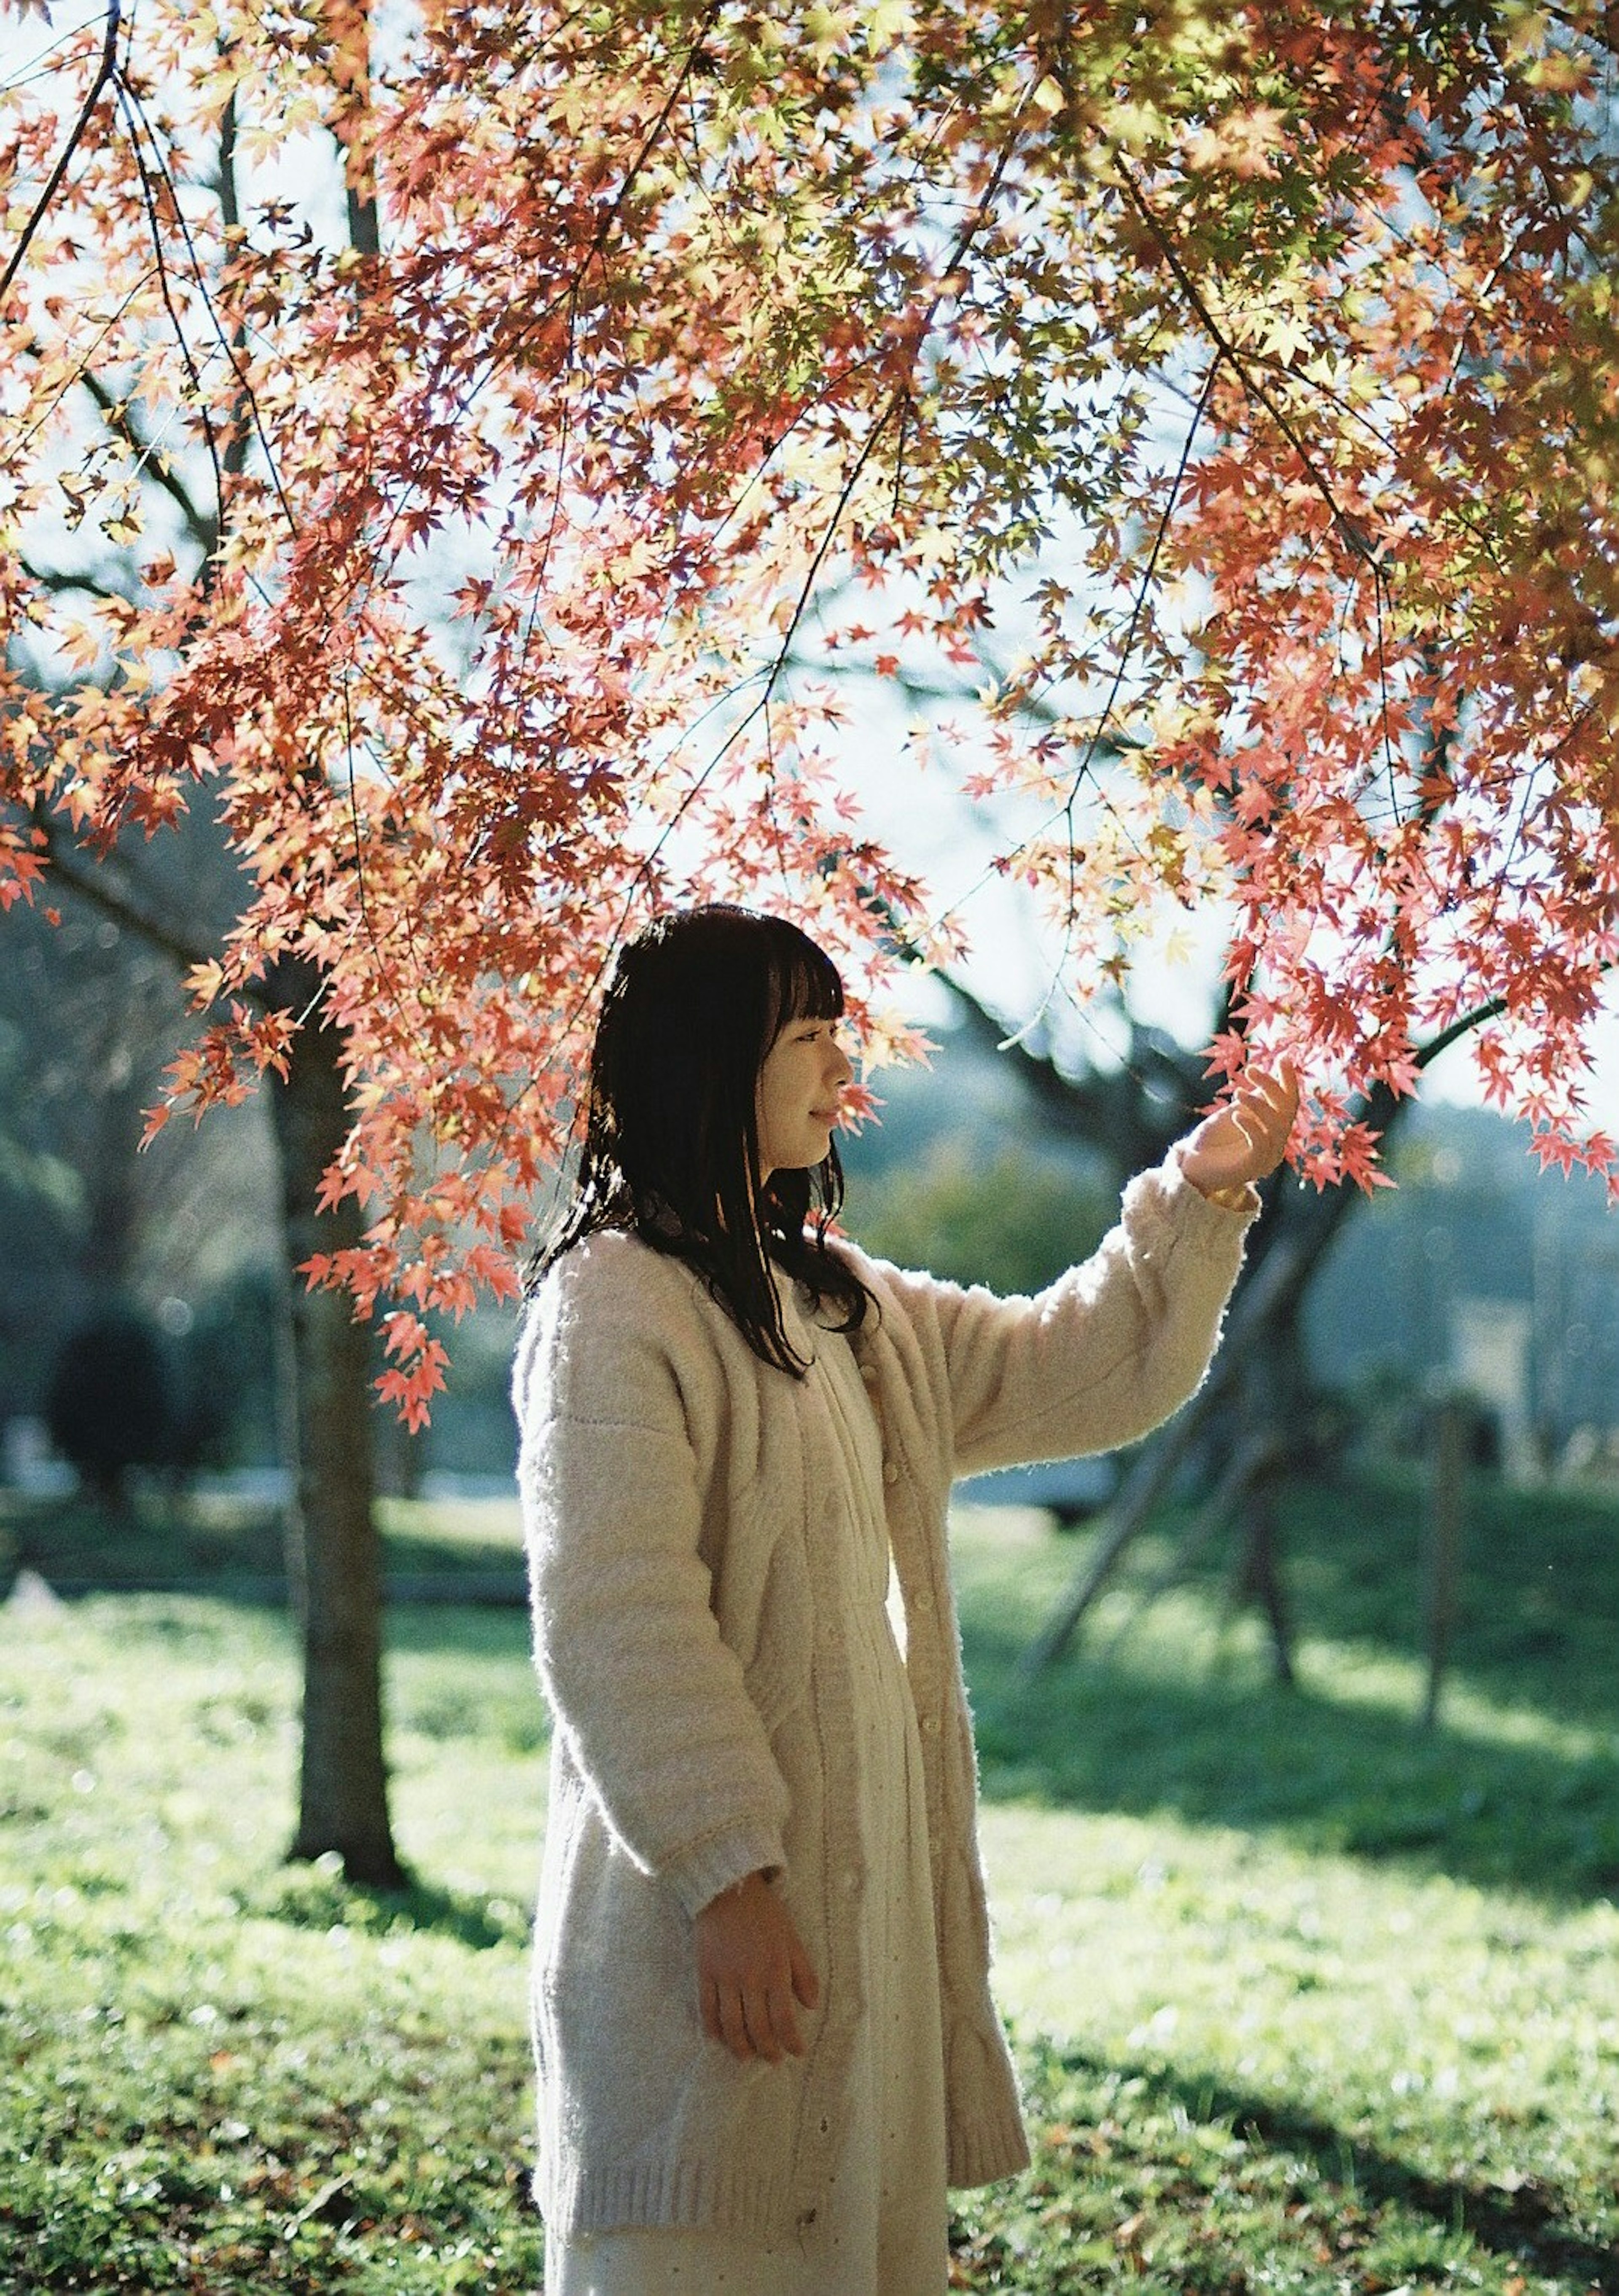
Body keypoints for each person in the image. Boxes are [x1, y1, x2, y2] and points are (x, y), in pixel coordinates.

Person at [513, 904, 1297, 2296]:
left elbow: (1089, 1367)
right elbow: (616, 1616)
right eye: (808, 1038)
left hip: (860, 1927)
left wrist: (1201, 1194)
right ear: (714, 1059)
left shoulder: (841, 1303)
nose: (839, 1069)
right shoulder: (614, 1301)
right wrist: (726, 1874)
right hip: (707, 1924)